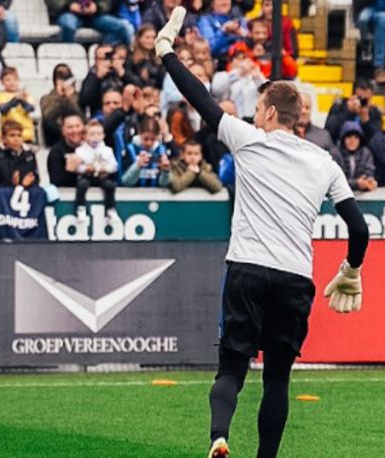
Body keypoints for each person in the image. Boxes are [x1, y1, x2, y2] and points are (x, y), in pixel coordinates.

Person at [153, 8, 370, 457]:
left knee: (231, 368)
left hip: (248, 268)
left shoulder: (249, 140)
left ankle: (219, 435)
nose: (253, 116)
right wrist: (352, 268)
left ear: (270, 112)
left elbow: (199, 98)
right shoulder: (325, 162)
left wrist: (167, 52)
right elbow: (358, 225)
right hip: (294, 277)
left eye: (257, 110)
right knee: (277, 379)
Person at [74, 119, 120, 223]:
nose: (96, 137)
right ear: (85, 136)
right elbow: (77, 168)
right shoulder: (80, 151)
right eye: (92, 134)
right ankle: (80, 208)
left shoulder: (108, 150)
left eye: (99, 134)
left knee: (110, 186)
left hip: (102, 176)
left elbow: (114, 166)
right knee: (82, 185)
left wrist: (105, 169)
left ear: (103, 136)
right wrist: (86, 168)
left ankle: (110, 209)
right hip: (87, 176)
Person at [45, 0, 132, 45]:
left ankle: (102, 56)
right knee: (68, 25)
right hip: (69, 13)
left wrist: (97, 7)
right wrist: (69, 5)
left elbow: (106, 2)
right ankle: (68, 60)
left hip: (95, 15)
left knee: (122, 27)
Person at [324, 78, 382, 143]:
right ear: (352, 96)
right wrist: (348, 111)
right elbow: (329, 131)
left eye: (366, 100)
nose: (362, 103)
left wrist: (366, 122)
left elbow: (377, 139)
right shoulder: (339, 107)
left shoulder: (375, 112)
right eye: (359, 98)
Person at [121, 115, 171, 187]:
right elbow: (125, 182)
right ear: (140, 133)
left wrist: (166, 171)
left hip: (156, 196)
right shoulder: (130, 149)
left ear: (157, 136)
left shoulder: (161, 150)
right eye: (146, 139)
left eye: (152, 139)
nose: (149, 143)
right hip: (134, 195)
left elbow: (164, 184)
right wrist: (137, 166)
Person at [0, 120, 38, 187]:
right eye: (12, 135)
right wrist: (12, 183)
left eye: (19, 135)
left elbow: (36, 178)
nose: (16, 139)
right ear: (3, 138)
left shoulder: (29, 157)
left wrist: (30, 182)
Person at [41, 64, 82, 147]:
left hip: (77, 136)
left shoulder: (79, 97)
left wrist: (69, 98)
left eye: (66, 78)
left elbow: (80, 116)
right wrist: (59, 96)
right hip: (55, 138)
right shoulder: (46, 98)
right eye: (60, 78)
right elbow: (48, 117)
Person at [330, 121, 377, 192]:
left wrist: (368, 181)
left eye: (356, 138)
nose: (353, 141)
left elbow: (369, 172)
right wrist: (356, 183)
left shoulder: (366, 153)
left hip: (361, 195)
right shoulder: (335, 153)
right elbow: (335, 181)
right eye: (349, 137)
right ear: (343, 139)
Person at [0, 67, 35, 143]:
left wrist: (22, 101)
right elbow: (3, 109)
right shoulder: (1, 95)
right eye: (8, 80)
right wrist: (15, 100)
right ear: (2, 82)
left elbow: (30, 108)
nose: (12, 82)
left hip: (26, 134)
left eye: (15, 79)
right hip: (9, 135)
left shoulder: (25, 94)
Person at [47, 112, 85, 187]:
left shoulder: (93, 146)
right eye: (70, 127)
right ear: (63, 131)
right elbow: (55, 183)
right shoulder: (56, 151)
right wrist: (69, 170)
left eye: (77, 126)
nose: (75, 130)